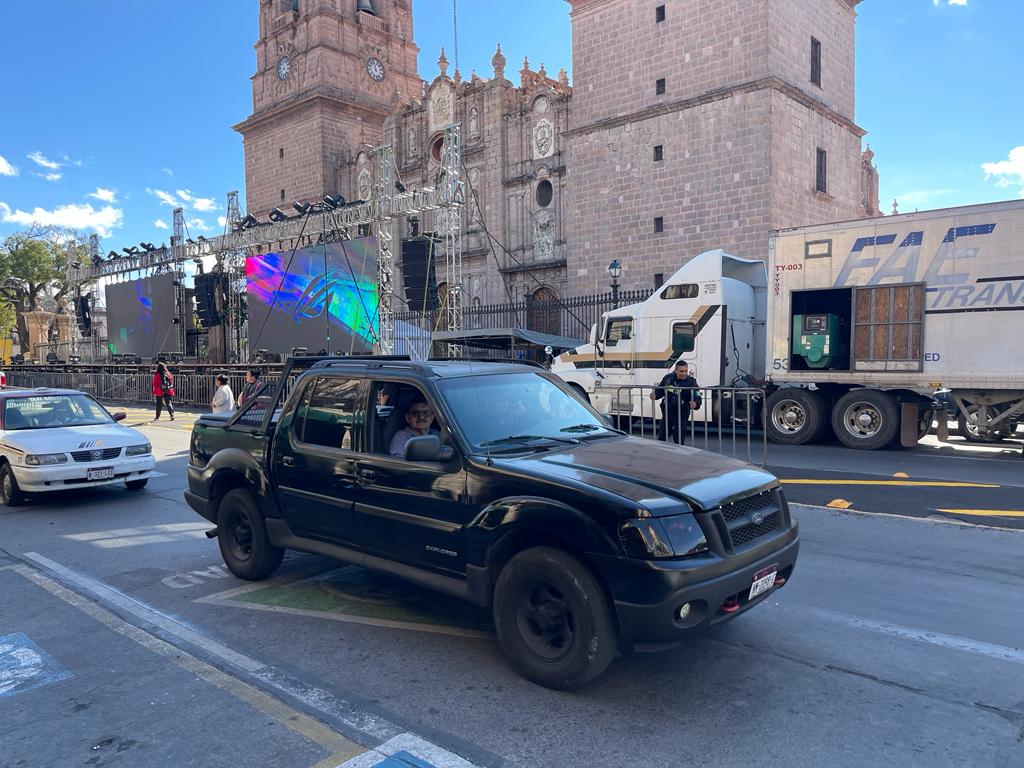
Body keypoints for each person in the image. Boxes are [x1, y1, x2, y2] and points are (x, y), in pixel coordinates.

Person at [650, 360, 701, 445]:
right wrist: (655, 395)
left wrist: (695, 403)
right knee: (662, 438)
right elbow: (660, 390)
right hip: (668, 412)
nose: (684, 373)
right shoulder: (668, 378)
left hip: (682, 412)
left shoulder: (691, 381)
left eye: (686, 371)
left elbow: (697, 395)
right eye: (681, 371)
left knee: (679, 439)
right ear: (675, 370)